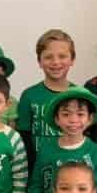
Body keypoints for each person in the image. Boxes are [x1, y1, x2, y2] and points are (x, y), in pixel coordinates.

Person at [27, 87, 97, 193]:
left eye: (80, 114)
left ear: (90, 118)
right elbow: (36, 186)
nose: (73, 120)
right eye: (66, 114)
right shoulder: (46, 149)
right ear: (57, 118)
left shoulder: (96, 153)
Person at [17, 29, 76, 162]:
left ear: (72, 59)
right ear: (40, 61)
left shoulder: (80, 95)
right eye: (48, 57)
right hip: (37, 165)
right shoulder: (29, 95)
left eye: (62, 56)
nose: (55, 62)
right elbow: (24, 138)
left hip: (71, 165)